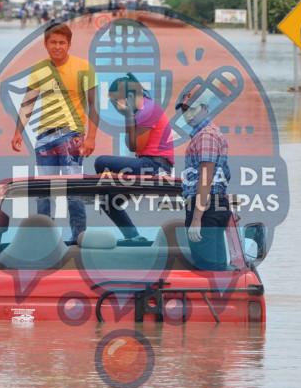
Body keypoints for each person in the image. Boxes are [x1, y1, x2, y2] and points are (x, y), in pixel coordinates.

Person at [11, 21, 98, 243]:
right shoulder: (40, 69)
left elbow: (94, 106)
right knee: (44, 190)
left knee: (73, 189)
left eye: (62, 42)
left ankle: (78, 236)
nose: (57, 46)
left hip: (72, 136)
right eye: (53, 42)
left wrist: (91, 138)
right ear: (45, 44)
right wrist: (18, 132)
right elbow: (28, 102)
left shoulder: (83, 67)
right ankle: (44, 238)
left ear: (69, 44)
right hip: (45, 137)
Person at [94, 74, 174, 242]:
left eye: (116, 101)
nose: (115, 106)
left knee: (100, 162)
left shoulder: (148, 110)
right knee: (108, 202)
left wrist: (128, 114)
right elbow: (134, 145)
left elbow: (134, 146)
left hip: (154, 166)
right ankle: (134, 237)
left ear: (129, 97)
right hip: (148, 164)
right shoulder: (144, 110)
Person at [176, 93, 232, 271]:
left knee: (206, 270)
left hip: (205, 209)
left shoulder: (205, 137)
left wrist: (196, 218)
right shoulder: (210, 133)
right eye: (185, 110)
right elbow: (221, 176)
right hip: (215, 205)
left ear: (205, 109)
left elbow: (206, 179)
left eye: (193, 109)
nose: (188, 115)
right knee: (217, 269)